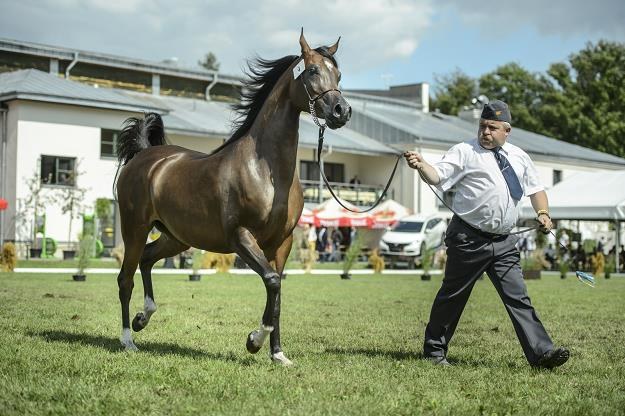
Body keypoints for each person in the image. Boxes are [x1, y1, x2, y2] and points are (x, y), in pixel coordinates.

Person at [404, 100, 569, 368]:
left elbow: (536, 190)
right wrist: (422, 165)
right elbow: (436, 176)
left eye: (492, 127)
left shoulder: (519, 156)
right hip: (468, 238)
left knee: (518, 297)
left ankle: (541, 354)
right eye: (482, 126)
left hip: (504, 241)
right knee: (453, 295)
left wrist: (543, 213)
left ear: (507, 130)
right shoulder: (464, 151)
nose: (486, 132)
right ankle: (434, 352)